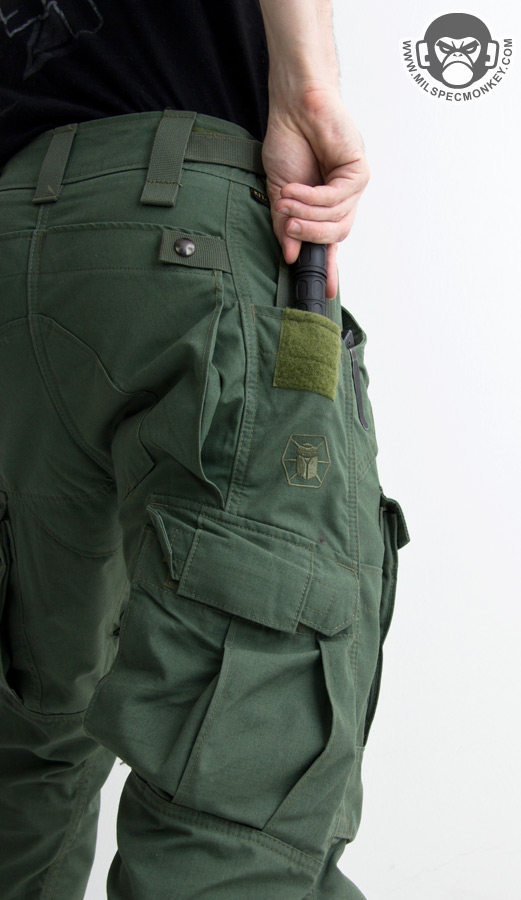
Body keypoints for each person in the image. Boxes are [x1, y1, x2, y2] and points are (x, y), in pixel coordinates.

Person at [0, 1, 410, 898]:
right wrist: (308, 92)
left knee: (26, 746)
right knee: (241, 779)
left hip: (13, 257)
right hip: (186, 233)